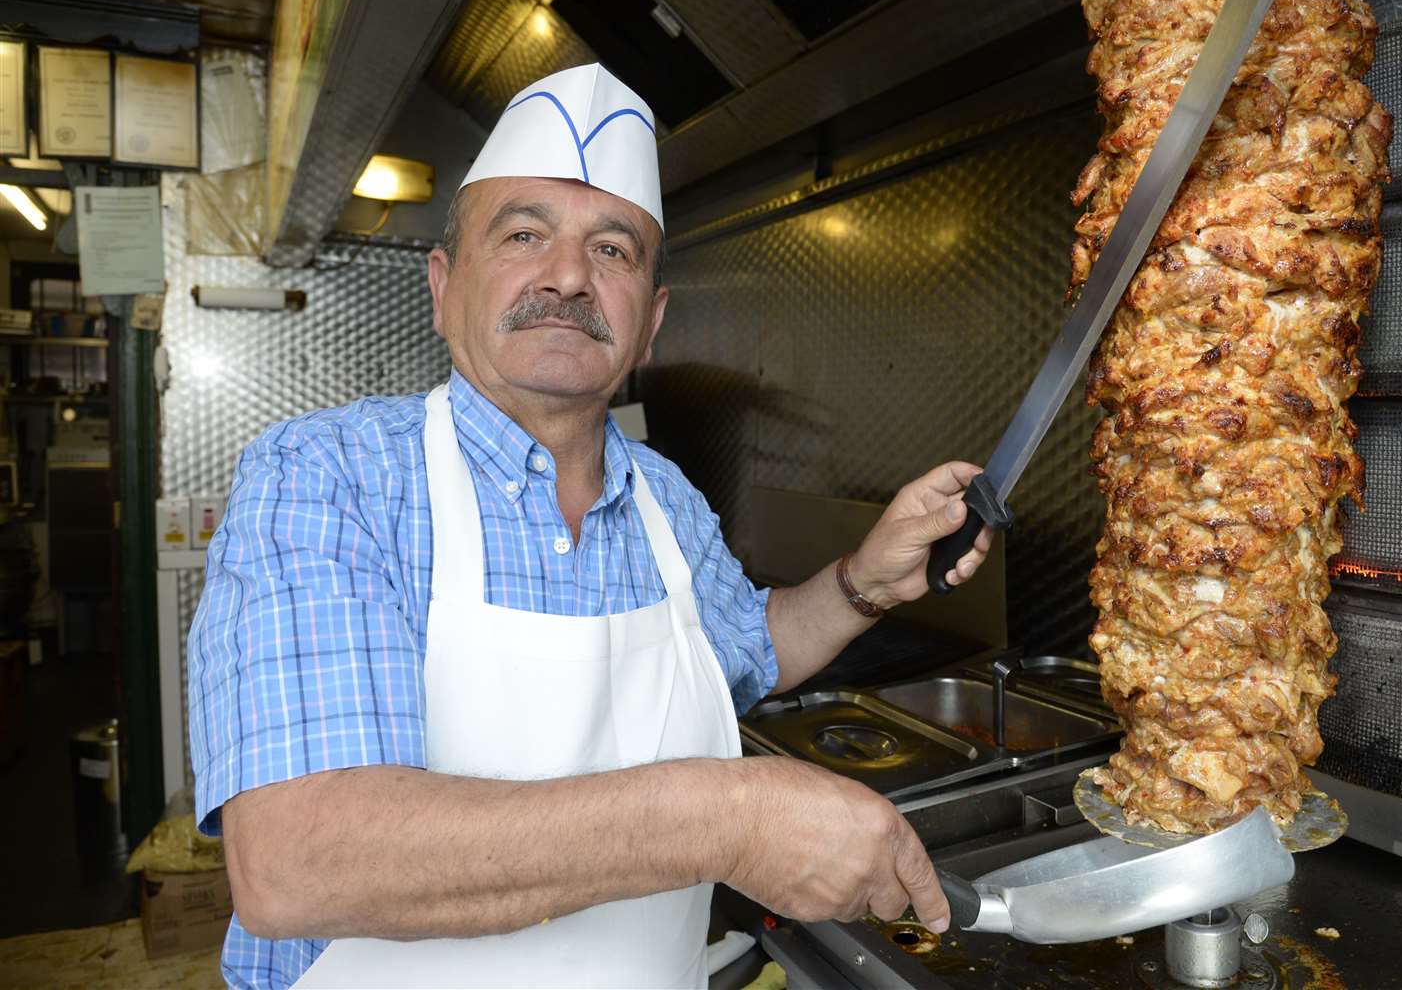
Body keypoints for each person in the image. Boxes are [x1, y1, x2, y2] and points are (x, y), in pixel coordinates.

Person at [187, 63, 993, 989]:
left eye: (613, 250)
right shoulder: (329, 477)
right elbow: (297, 861)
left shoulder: (663, 496)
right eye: (525, 233)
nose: (568, 275)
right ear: (444, 287)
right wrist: (727, 819)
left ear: (647, 325)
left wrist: (865, 584)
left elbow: (743, 649)